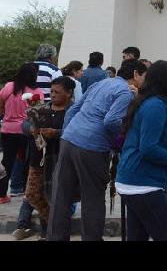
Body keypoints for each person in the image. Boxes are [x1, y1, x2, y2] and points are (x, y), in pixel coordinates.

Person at [47, 59, 147, 241]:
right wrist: (127, 136)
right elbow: (111, 121)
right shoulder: (125, 92)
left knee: (61, 195)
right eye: (144, 76)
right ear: (135, 74)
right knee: (92, 198)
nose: (145, 81)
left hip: (69, 139)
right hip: (92, 147)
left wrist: (69, 134)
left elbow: (72, 111)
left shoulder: (101, 83)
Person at [116, 61, 167, 241]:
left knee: (137, 237)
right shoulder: (155, 106)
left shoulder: (150, 103)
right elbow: (148, 148)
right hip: (143, 183)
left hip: (135, 181)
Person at [20, 75, 74, 240]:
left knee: (55, 197)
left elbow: (76, 132)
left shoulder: (73, 111)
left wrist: (56, 133)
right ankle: (54, 223)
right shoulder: (41, 109)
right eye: (51, 91)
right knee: (33, 194)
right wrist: (31, 129)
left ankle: (50, 231)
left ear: (69, 93)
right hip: (38, 160)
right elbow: (24, 124)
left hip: (59, 160)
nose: (53, 94)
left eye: (57, 92)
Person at [0, 63, 43, 205]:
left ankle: (2, 195)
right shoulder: (37, 91)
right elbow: (38, 112)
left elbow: (0, 103)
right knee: (27, 162)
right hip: (27, 131)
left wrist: (5, 114)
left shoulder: (9, 87)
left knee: (7, 161)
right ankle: (27, 193)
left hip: (8, 130)